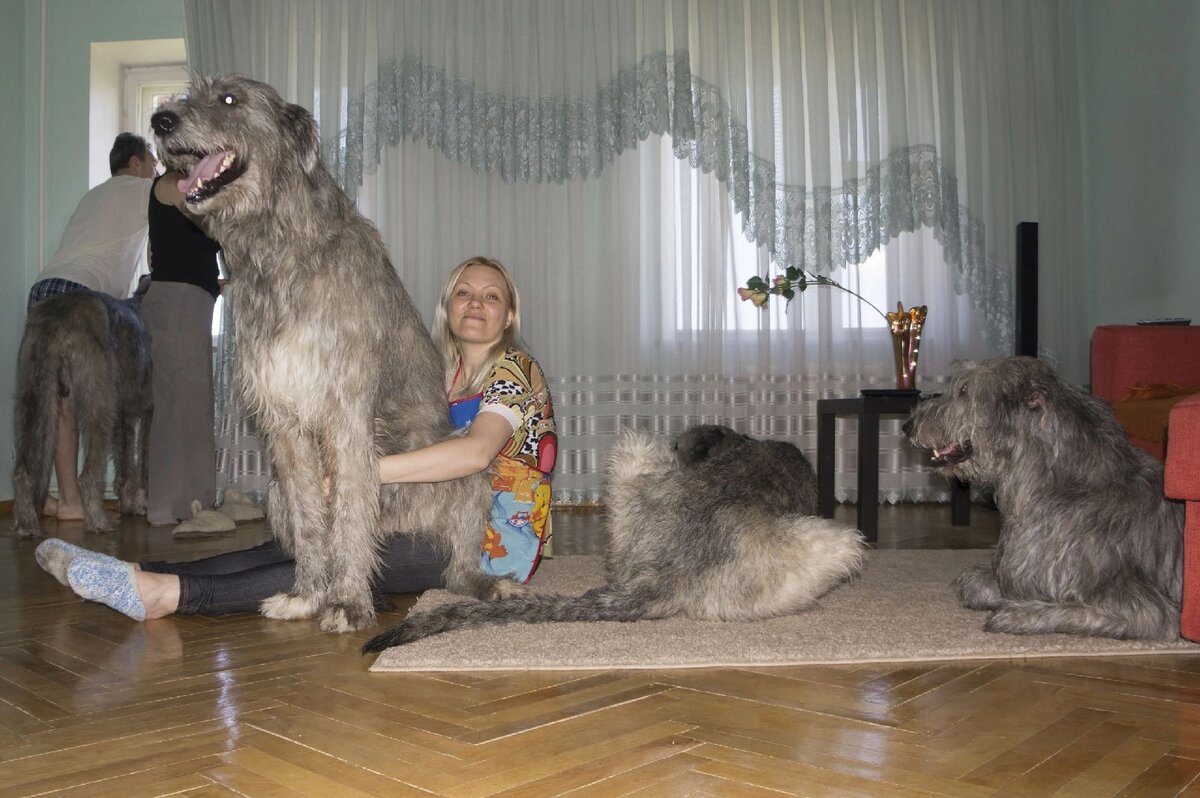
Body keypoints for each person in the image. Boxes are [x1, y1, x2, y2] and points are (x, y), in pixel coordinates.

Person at [35, 257, 557, 622]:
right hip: (417, 513)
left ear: (508, 315)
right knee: (297, 544)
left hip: (486, 545)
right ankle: (135, 571)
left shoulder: (514, 368)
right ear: (445, 308)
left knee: (334, 560)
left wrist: (359, 473)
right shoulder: (436, 372)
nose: (475, 304)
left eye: (491, 297)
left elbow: (476, 453)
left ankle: (170, 594)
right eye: (463, 293)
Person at [27, 133, 158, 522]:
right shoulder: (142, 189)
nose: (157, 170)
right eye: (152, 161)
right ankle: (82, 499)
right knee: (95, 405)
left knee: (58, 404)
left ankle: (67, 500)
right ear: (135, 164)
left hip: (46, 288)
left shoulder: (94, 195)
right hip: (83, 298)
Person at [141, 169, 223, 525]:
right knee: (177, 406)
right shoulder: (171, 183)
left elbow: (185, 248)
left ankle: (195, 504)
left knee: (192, 404)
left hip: (191, 301)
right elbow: (207, 224)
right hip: (177, 302)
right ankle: (165, 508)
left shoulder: (186, 188)